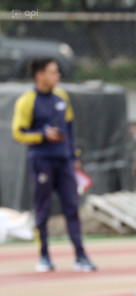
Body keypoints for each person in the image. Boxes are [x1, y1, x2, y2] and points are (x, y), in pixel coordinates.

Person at [12, 57, 95, 272]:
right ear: (39, 75)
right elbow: (18, 133)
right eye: (52, 72)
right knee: (43, 209)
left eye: (57, 72)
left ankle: (80, 255)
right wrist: (42, 135)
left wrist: (73, 156)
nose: (57, 76)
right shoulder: (27, 101)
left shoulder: (61, 97)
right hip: (42, 161)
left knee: (72, 208)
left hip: (64, 161)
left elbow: (69, 128)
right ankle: (44, 256)